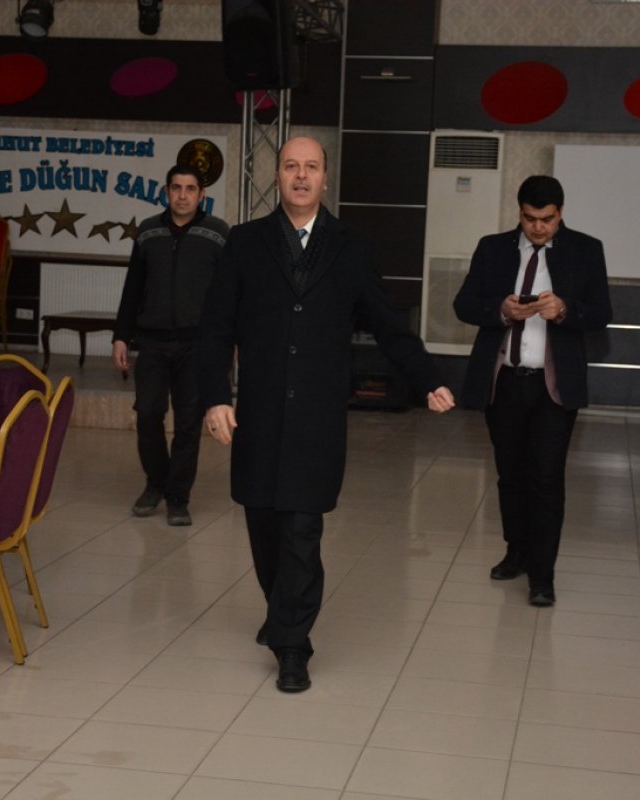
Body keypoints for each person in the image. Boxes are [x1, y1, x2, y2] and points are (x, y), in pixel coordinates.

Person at [198, 136, 455, 693]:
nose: (300, 175)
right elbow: (216, 327)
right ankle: (281, 609)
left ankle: (293, 645)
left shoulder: (350, 247)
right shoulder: (244, 243)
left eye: (311, 167)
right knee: (264, 525)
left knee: (301, 529)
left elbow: (387, 324)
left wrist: (428, 377)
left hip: (317, 419)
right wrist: (216, 396)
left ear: (324, 178)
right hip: (259, 415)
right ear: (277, 176)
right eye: (291, 166)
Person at [453, 175, 612, 608]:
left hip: (553, 388)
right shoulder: (492, 248)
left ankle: (543, 575)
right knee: (510, 475)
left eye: (547, 219)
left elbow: (601, 312)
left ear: (561, 213)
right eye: (530, 219)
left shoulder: (586, 249)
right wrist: (500, 310)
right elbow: (463, 305)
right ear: (519, 212)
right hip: (504, 381)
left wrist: (564, 310)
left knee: (545, 478)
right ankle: (517, 552)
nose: (538, 227)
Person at [113, 164, 229, 526]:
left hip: (198, 345)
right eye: (176, 188)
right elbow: (133, 287)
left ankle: (178, 498)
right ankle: (155, 484)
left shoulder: (218, 234)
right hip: (152, 342)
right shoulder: (148, 232)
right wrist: (121, 335)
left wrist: (230, 339)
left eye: (190, 189)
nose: (182, 195)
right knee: (148, 415)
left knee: (189, 423)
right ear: (166, 192)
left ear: (202, 195)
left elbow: (229, 295)